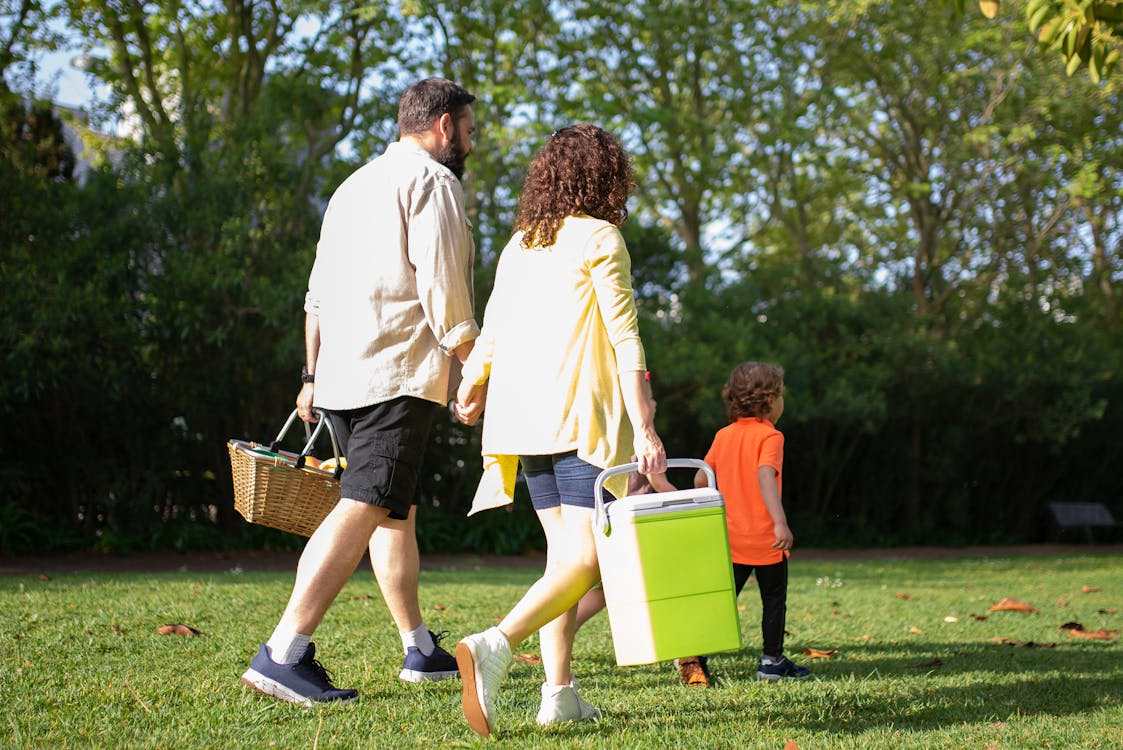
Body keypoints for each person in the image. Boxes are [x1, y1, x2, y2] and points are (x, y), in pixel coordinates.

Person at [240, 77, 481, 705]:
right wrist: (473, 364)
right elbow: (444, 285)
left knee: (391, 512)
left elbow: (316, 294)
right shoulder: (433, 182)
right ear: (444, 126)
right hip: (396, 373)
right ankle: (283, 652)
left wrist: (311, 376)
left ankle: (419, 648)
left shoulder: (350, 187)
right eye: (469, 129)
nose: (470, 142)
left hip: (345, 377)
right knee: (365, 503)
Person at [451, 123, 667, 737]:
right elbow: (627, 341)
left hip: (523, 420)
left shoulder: (522, 242)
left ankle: (560, 692)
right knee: (587, 560)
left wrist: (472, 381)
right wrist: (646, 427)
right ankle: (495, 645)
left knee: (562, 561)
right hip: (579, 416)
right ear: (606, 178)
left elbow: (491, 323)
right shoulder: (602, 237)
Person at [693, 361, 810, 681]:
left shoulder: (723, 435)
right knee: (773, 599)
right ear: (770, 400)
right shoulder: (771, 437)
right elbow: (765, 475)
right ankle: (772, 662)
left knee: (723, 598)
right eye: (781, 395)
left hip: (729, 538)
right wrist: (780, 522)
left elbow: (701, 480)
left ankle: (696, 656)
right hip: (764, 537)